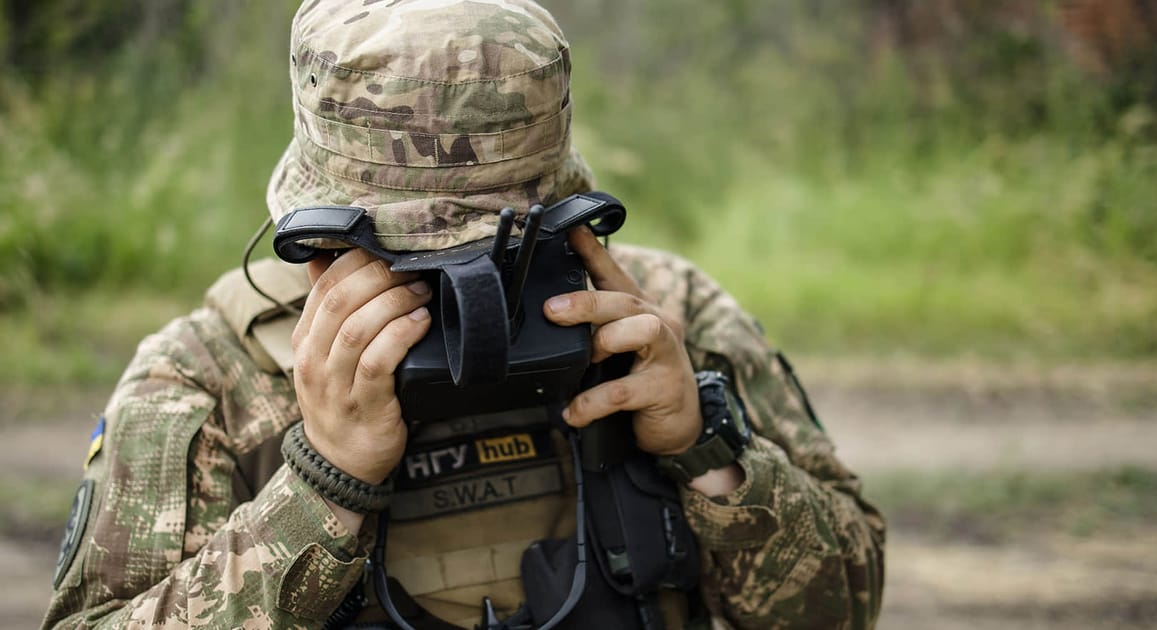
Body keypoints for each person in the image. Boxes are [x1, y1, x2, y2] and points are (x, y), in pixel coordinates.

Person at [43, 0, 885, 628]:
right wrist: (319, 492)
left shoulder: (662, 320)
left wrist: (707, 447)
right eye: (404, 255)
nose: (459, 288)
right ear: (316, 237)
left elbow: (845, 607)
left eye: (496, 251)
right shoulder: (208, 381)